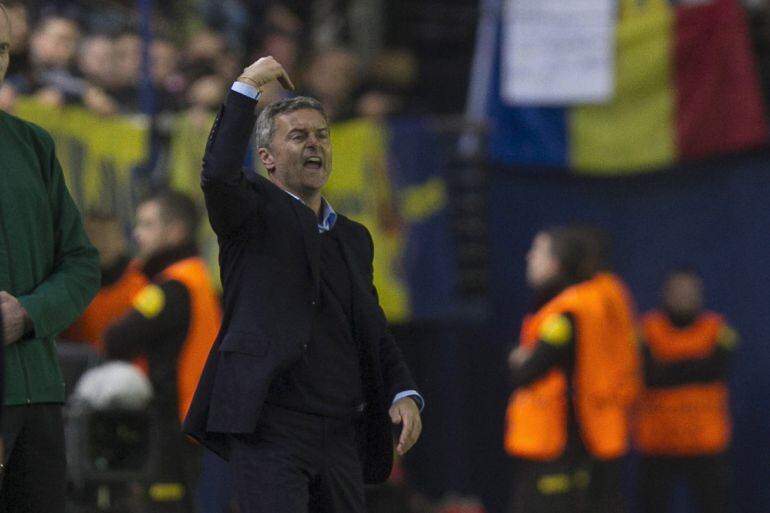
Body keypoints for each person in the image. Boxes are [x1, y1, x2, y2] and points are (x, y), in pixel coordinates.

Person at [183, 56, 423, 513]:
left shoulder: (354, 237)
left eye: (321, 135)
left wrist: (402, 390)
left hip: (341, 429)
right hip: (270, 425)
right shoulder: (248, 215)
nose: (315, 145)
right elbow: (216, 174)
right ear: (267, 159)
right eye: (298, 136)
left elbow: (370, 326)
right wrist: (247, 86)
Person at [0, 4, 100, 512]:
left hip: (38, 391)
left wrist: (29, 313)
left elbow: (82, 263)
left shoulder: (33, 144)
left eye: (0, 48)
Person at [104, 190, 223, 512]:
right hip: (192, 424)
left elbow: (116, 338)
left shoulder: (171, 288)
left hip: (168, 426)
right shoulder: (199, 277)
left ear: (176, 230)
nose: (137, 234)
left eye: (147, 224)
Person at [504, 227, 634, 513]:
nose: (529, 257)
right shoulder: (597, 298)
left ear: (556, 263)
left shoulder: (568, 311)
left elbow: (527, 370)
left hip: (560, 444)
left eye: (537, 252)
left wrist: (519, 358)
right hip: (589, 437)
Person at [634, 267, 737, 513]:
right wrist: (695, 366)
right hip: (658, 442)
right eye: (677, 291)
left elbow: (715, 370)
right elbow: (650, 376)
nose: (683, 296)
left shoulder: (719, 329)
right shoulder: (644, 330)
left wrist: (669, 368)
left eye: (689, 291)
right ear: (664, 293)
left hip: (706, 442)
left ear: (700, 294)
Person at [61, 210, 148, 352]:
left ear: (121, 240)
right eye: (96, 236)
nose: (104, 243)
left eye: (110, 236)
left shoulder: (142, 281)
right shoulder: (71, 289)